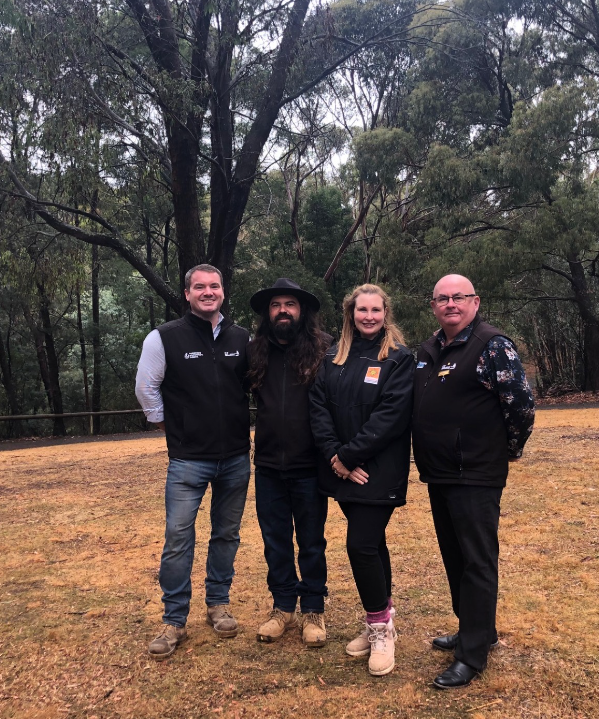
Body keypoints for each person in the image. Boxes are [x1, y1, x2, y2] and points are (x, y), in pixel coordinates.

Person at [412, 274, 535, 688]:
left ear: (475, 301)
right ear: (433, 305)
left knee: (477, 560)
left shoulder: (491, 345)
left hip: (476, 473)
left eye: (458, 297)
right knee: (456, 557)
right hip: (440, 472)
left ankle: (473, 655)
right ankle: (475, 629)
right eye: (442, 298)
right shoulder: (430, 349)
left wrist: (509, 449)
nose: (450, 304)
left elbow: (519, 404)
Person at [135, 264, 252, 660]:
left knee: (226, 534)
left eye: (214, 286)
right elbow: (146, 387)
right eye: (199, 286)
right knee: (178, 539)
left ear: (223, 291)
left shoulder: (242, 338)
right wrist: (173, 427)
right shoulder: (164, 337)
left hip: (236, 457)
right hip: (188, 461)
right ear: (187, 294)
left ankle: (218, 605)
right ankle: (173, 620)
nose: (207, 292)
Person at [309, 284, 415, 677]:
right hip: (341, 472)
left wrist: (349, 456)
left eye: (376, 310)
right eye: (361, 310)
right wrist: (335, 458)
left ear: (386, 314)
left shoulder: (400, 360)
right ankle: (381, 622)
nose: (368, 316)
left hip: (377, 470)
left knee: (361, 546)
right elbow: (317, 407)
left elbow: (391, 416)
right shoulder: (332, 357)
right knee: (373, 544)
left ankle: (379, 631)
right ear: (350, 314)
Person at [247, 278, 332, 647]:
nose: (283, 310)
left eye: (290, 304)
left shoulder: (325, 351)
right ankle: (283, 607)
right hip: (267, 466)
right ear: (268, 313)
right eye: (276, 304)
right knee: (275, 541)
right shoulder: (253, 352)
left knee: (311, 542)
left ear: (302, 311)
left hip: (310, 467)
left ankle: (313, 609)